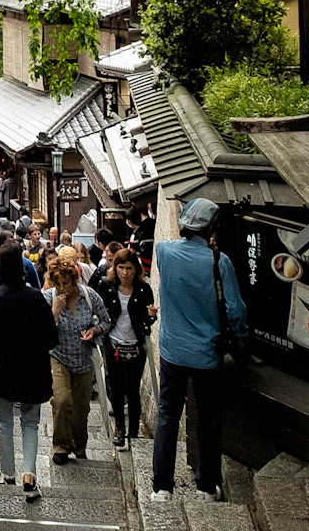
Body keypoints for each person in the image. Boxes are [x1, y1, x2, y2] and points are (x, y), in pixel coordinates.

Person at [150, 197, 247, 504]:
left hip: (172, 350)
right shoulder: (220, 262)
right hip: (207, 353)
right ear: (212, 228)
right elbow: (236, 311)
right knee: (208, 417)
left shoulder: (164, 252)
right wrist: (241, 336)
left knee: (167, 414)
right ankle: (206, 485)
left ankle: (161, 487)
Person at [0, 243, 59, 504]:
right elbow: (51, 338)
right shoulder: (36, 297)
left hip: (3, 369)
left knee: (4, 422)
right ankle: (29, 474)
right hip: (33, 370)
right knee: (30, 422)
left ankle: (7, 472)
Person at [44, 250, 110, 463]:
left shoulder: (89, 296)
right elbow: (41, 329)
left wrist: (95, 330)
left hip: (84, 358)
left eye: (66, 283)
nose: (62, 288)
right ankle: (61, 447)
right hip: (59, 356)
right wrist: (54, 312)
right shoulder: (49, 298)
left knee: (81, 408)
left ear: (74, 280)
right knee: (62, 401)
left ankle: (79, 445)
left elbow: (106, 321)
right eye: (58, 284)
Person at [103, 248, 156, 449]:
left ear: (136, 270)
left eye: (129, 268)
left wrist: (151, 315)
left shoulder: (143, 289)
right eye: (121, 267)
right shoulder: (107, 286)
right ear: (115, 268)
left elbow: (148, 320)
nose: (125, 273)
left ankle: (133, 430)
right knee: (116, 387)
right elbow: (99, 311)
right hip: (114, 342)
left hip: (135, 344)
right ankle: (120, 428)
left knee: (133, 388)